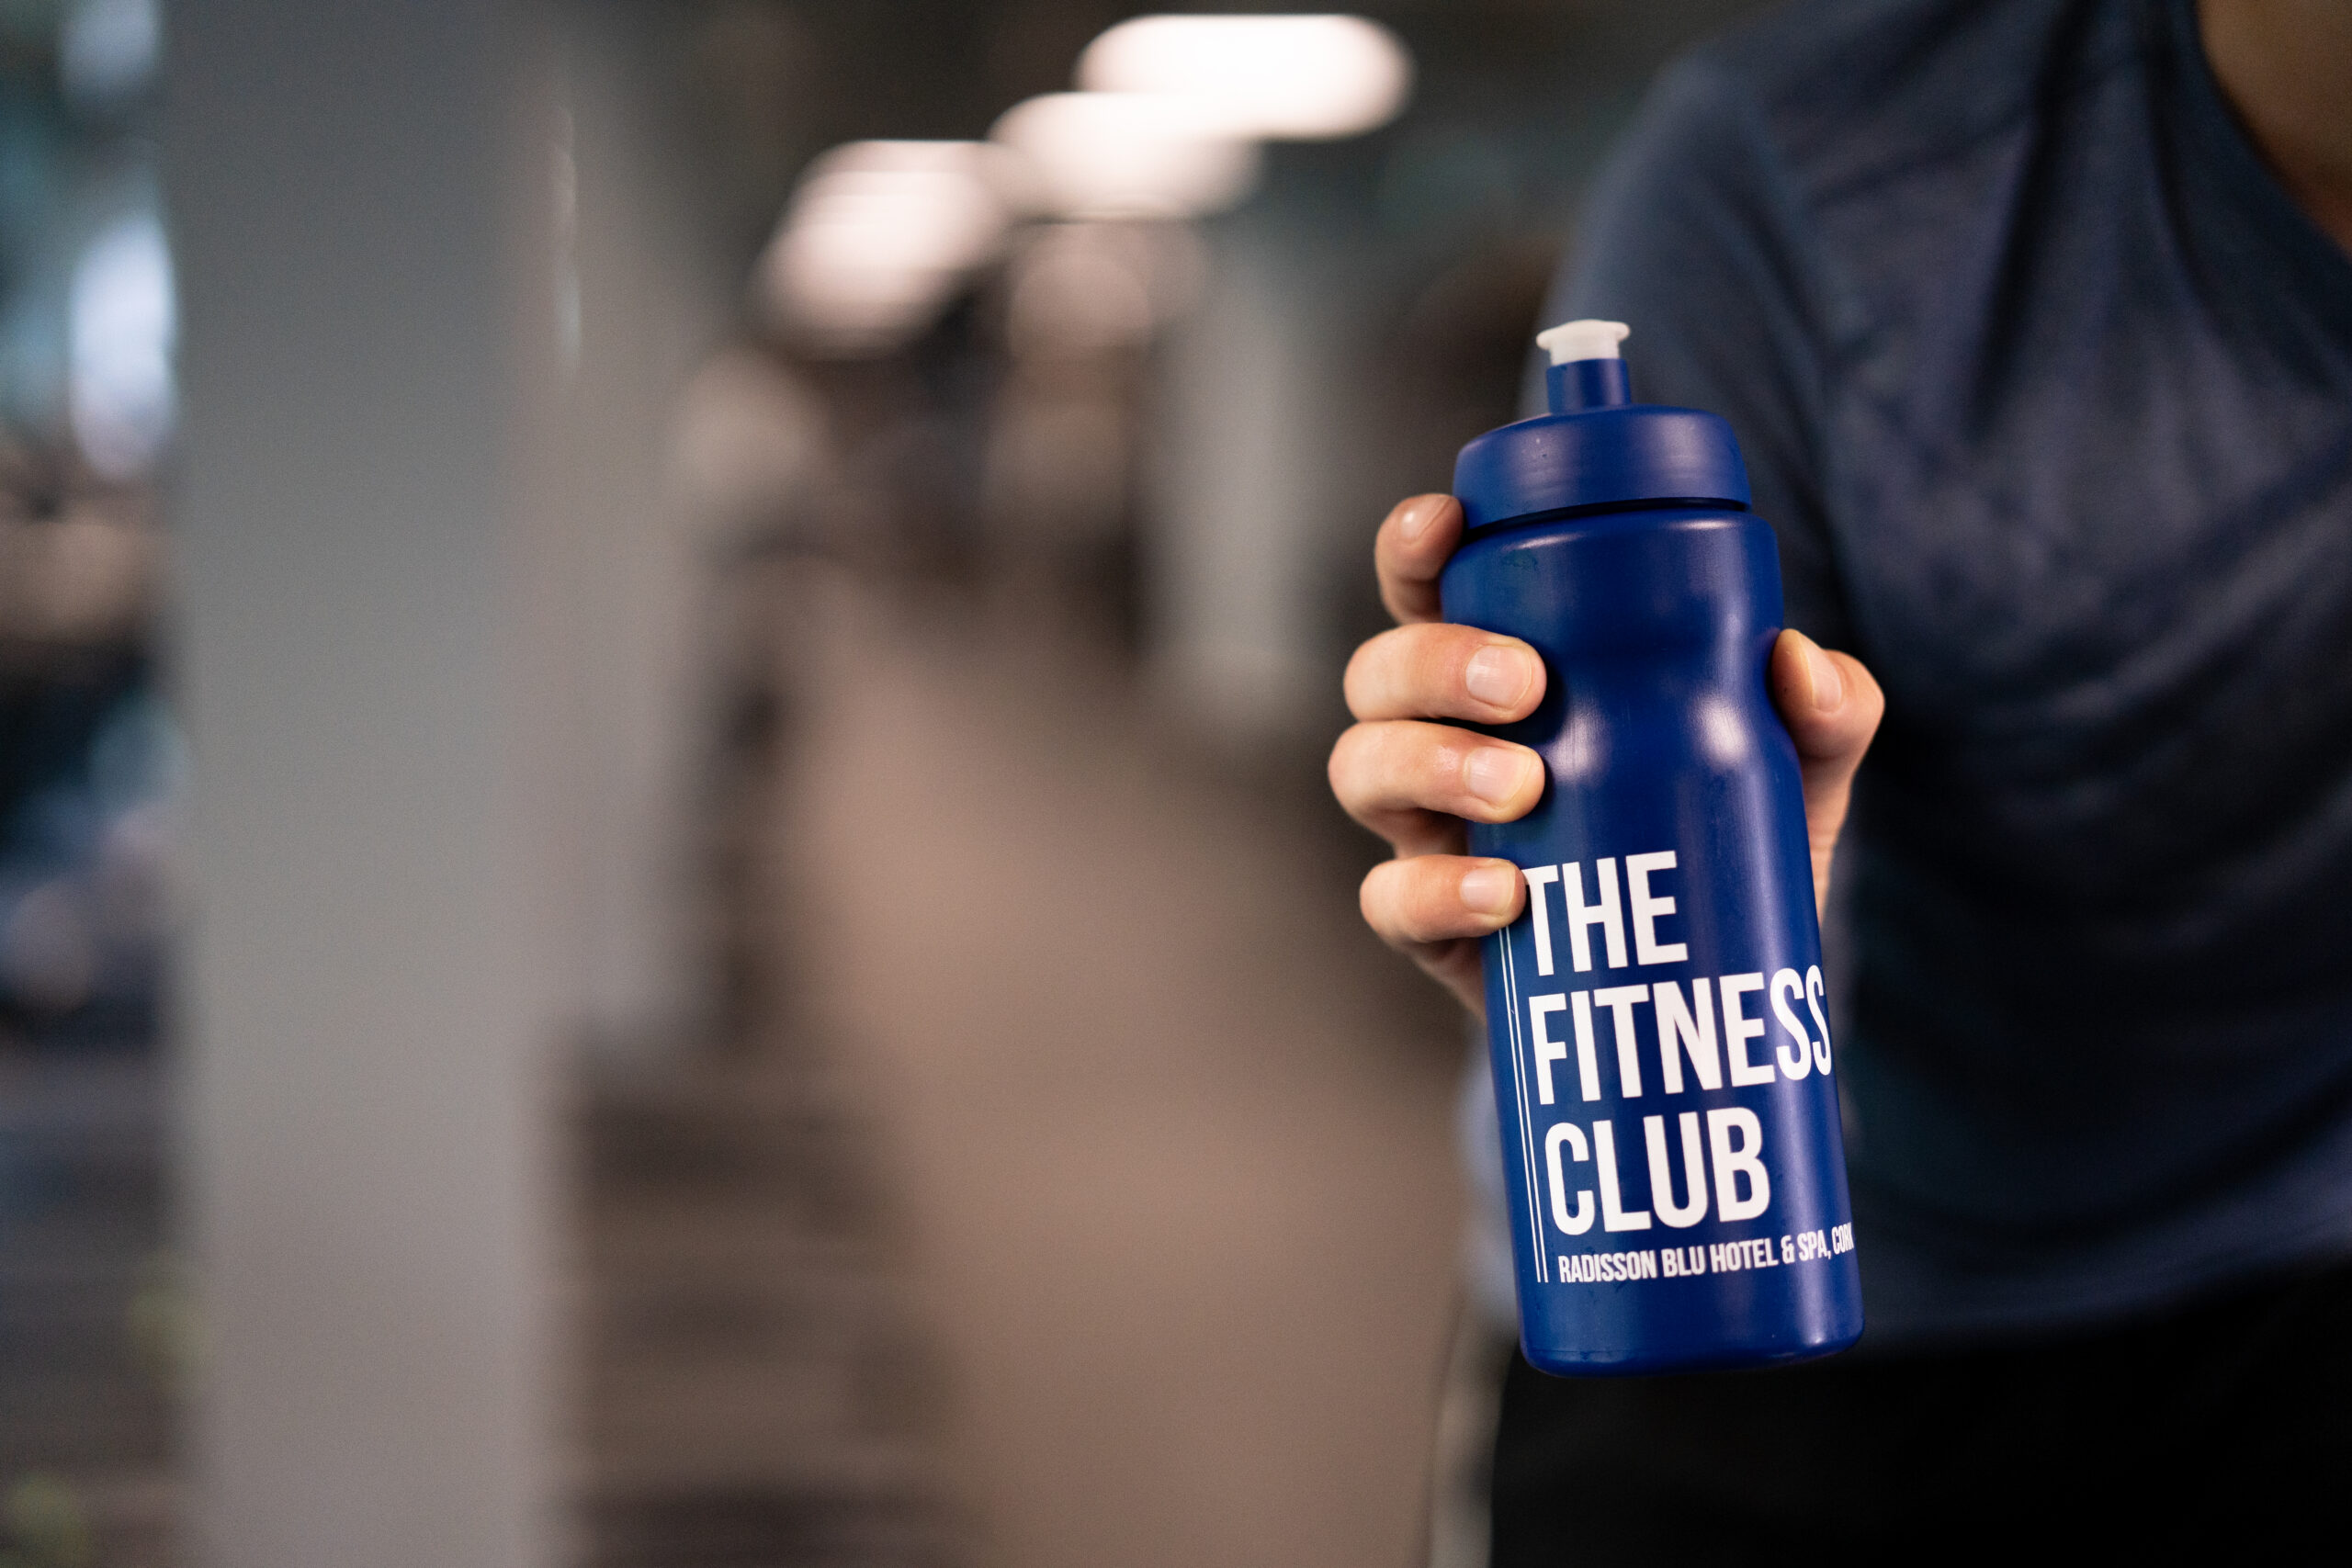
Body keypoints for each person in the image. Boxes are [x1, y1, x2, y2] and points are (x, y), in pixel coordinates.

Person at [1329, 0, 2352, 1555]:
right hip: (1800, 1309)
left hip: (2297, 1266)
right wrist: (1636, 926)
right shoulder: (1805, 193)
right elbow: (1712, 884)